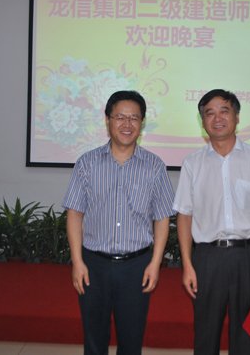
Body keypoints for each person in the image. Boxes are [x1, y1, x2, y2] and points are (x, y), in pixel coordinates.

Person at [173, 89, 250, 355]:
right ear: (202, 121)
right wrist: (187, 265)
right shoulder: (192, 163)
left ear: (237, 117)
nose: (217, 118)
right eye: (209, 113)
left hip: (249, 256)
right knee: (205, 334)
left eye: (224, 111)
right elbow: (184, 216)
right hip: (207, 258)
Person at [63, 90, 175, 355]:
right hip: (94, 264)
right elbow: (75, 214)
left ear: (142, 123)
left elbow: (162, 218)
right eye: (120, 117)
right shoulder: (87, 163)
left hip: (137, 266)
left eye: (134, 118)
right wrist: (77, 262)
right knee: (94, 339)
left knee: (132, 339)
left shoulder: (154, 166)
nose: (127, 124)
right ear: (108, 120)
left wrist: (155, 263)